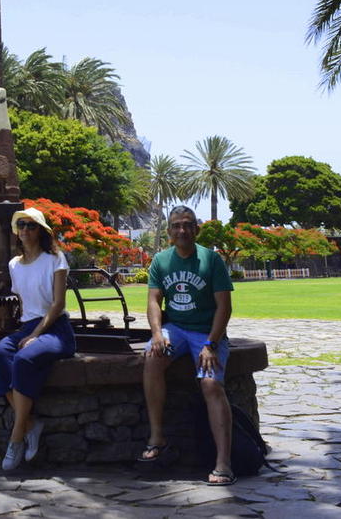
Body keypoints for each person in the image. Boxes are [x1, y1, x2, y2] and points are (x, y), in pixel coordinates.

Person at [140, 205, 236, 484]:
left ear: (196, 229)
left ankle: (224, 462)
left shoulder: (211, 260)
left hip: (207, 331)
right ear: (169, 231)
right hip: (176, 329)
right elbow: (153, 301)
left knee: (211, 383)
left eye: (187, 224)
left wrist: (211, 344)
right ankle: (157, 437)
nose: (182, 230)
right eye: (176, 225)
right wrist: (157, 334)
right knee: (152, 358)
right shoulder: (161, 260)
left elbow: (224, 307)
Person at [0, 206, 75, 471]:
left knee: (24, 358)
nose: (25, 229)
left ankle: (16, 437)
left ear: (41, 231)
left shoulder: (55, 259)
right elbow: (24, 303)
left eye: (31, 225)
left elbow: (58, 304)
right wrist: (28, 332)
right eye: (21, 225)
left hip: (56, 328)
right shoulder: (14, 265)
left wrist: (36, 335)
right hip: (28, 326)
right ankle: (29, 424)